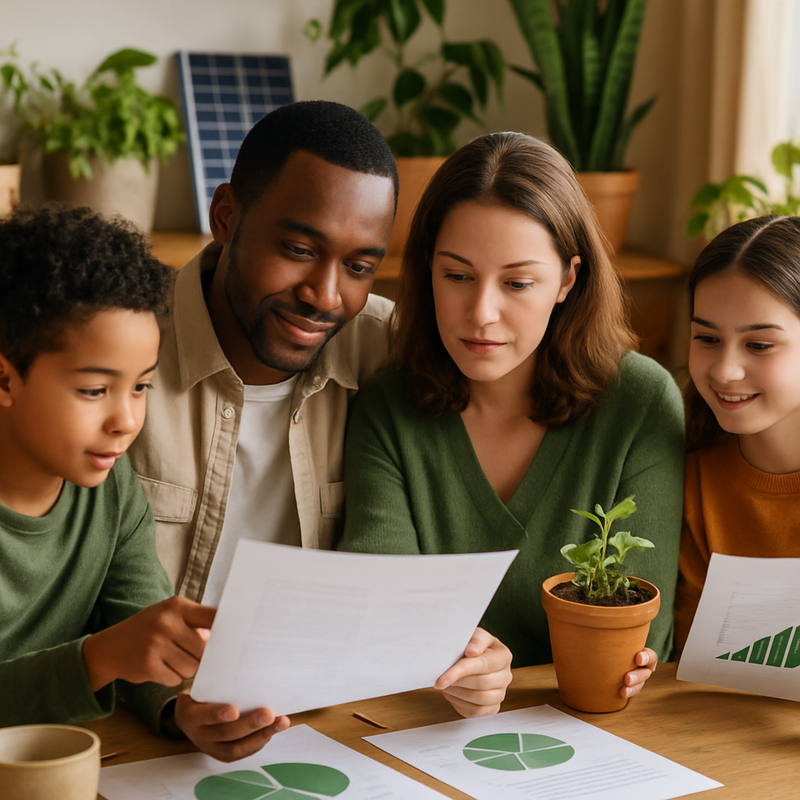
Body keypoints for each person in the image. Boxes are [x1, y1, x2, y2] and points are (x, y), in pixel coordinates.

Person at [128, 101, 513, 756]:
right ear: (226, 217)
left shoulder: (391, 355)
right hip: (136, 736)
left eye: (359, 266)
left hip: (319, 735)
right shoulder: (121, 356)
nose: (325, 294)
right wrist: (172, 706)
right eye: (299, 249)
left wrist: (475, 655)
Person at [338, 131, 686, 702]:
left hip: (597, 737)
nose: (481, 313)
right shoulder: (388, 407)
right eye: (456, 276)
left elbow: (644, 642)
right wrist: (466, 671)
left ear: (568, 280)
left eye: (518, 283)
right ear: (426, 269)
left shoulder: (641, 403)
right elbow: (380, 612)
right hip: (417, 730)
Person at [0, 205, 218, 733]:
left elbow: (137, 626)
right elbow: (113, 651)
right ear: (5, 381)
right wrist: (97, 658)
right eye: (94, 390)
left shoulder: (112, 487)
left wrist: (182, 709)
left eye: (141, 386)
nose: (125, 421)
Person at [674, 215, 800, 652]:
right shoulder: (692, 473)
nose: (725, 371)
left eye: (759, 345)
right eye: (707, 338)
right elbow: (689, 663)